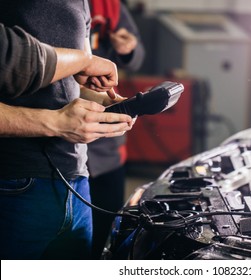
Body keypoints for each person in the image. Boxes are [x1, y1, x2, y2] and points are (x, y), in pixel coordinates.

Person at [0, 0, 134, 260]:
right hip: (13, 181)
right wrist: (56, 122)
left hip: (76, 181)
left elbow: (72, 81)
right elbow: (13, 60)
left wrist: (103, 102)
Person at [87, 0, 145, 259]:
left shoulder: (111, 6)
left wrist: (129, 48)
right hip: (58, 145)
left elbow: (138, 55)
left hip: (106, 150)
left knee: (106, 230)